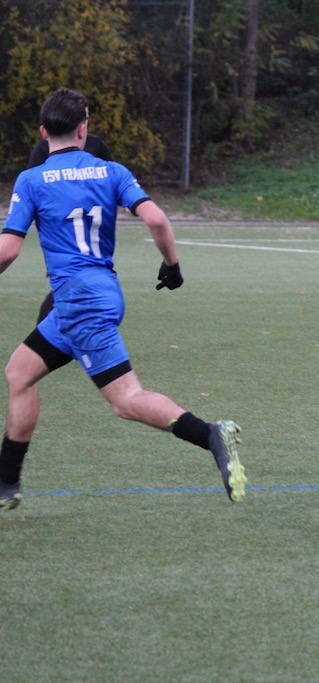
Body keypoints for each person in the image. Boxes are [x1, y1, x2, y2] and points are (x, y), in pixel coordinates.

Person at [0, 88, 246, 511]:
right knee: (19, 373)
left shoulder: (31, 179)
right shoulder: (112, 171)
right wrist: (171, 265)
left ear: (42, 133)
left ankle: (210, 433)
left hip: (79, 304)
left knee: (126, 400)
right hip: (94, 296)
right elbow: (157, 219)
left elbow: (7, 251)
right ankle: (7, 481)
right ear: (83, 128)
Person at [29, 132, 114, 324]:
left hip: (88, 239)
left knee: (59, 304)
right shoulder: (44, 148)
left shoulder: (96, 145)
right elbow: (34, 189)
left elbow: (110, 184)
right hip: (60, 234)